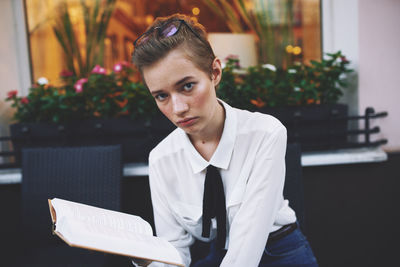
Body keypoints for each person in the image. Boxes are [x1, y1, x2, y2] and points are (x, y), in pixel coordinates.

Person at [131, 13, 318, 267]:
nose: (178, 108)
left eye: (187, 86)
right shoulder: (162, 159)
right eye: (161, 96)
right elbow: (174, 248)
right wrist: (145, 260)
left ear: (215, 72)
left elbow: (247, 244)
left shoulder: (266, 133)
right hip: (219, 256)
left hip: (280, 253)